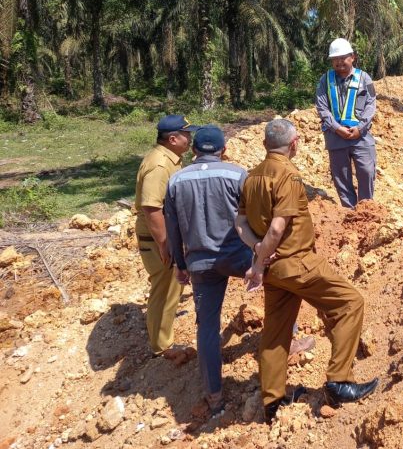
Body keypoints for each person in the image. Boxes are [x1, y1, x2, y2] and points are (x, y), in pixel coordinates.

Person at [164, 125, 316, 415]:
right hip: (239, 255)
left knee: (206, 326)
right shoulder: (237, 174)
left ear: (194, 151)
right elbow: (256, 216)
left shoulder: (175, 181)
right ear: (224, 150)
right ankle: (291, 339)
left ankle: (214, 395)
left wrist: (179, 265)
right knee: (278, 290)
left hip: (200, 262)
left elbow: (173, 228)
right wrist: (262, 252)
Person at [236, 118, 378, 422]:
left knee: (275, 332)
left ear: (264, 145)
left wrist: (258, 253)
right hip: (296, 263)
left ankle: (273, 401)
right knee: (350, 302)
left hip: (275, 270)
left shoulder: (251, 177)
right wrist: (261, 260)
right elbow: (277, 227)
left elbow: (240, 224)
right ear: (294, 144)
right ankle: (339, 381)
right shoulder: (287, 175)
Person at [135, 114, 197, 356]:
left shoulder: (171, 158)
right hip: (158, 237)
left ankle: (161, 335)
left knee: (170, 288)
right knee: (165, 289)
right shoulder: (160, 165)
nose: (190, 138)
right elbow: (151, 208)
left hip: (165, 234)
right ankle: (162, 347)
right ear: (173, 138)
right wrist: (165, 244)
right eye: (186, 134)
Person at [315, 38, 377, 208]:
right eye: (335, 59)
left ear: (352, 57)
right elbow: (322, 107)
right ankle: (349, 211)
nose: (339, 61)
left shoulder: (365, 78)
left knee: (366, 171)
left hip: (361, 136)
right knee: (341, 176)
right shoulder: (324, 80)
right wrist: (337, 128)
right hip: (336, 137)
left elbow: (371, 104)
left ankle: (365, 208)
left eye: (343, 57)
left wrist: (360, 128)